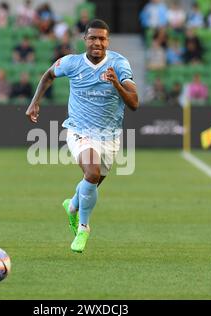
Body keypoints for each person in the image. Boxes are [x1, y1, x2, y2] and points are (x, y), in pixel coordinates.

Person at [25, 19, 138, 253]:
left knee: (92, 182)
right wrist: (35, 103)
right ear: (84, 40)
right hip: (78, 130)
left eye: (102, 39)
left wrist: (116, 83)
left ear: (108, 41)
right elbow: (48, 75)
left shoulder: (119, 64)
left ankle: (73, 205)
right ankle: (84, 229)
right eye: (93, 38)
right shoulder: (72, 63)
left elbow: (134, 102)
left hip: (109, 136)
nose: (98, 42)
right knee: (92, 173)